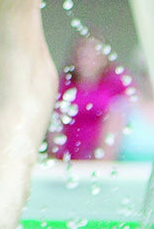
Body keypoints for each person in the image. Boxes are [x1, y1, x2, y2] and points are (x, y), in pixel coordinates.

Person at [47, 32, 132, 161]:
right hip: (68, 156)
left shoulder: (114, 86)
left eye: (91, 56)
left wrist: (102, 160)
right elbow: (55, 128)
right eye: (82, 55)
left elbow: (115, 124)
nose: (86, 60)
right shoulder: (64, 87)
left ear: (103, 59)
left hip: (99, 154)